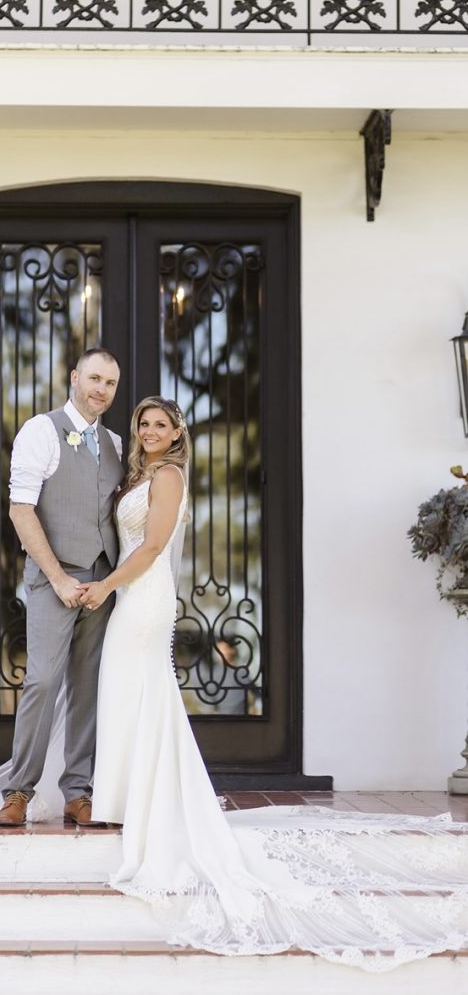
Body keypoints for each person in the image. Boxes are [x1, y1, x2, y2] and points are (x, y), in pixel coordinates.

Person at [78, 396, 468, 970]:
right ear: (136, 430)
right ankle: (125, 795)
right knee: (127, 692)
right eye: (144, 423)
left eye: (162, 423)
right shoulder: (135, 474)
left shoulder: (167, 477)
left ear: (176, 433)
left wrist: (107, 585)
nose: (152, 430)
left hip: (144, 595)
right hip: (131, 594)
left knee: (139, 689)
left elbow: (155, 545)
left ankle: (140, 798)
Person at [0, 348, 123, 828]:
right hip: (53, 580)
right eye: (95, 378)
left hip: (102, 584)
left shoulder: (117, 444)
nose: (101, 389)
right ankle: (18, 790)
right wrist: (60, 578)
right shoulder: (41, 431)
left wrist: (107, 583)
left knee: (88, 687)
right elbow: (21, 511)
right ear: (75, 377)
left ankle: (78, 791)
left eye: (110, 383)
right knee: (41, 680)